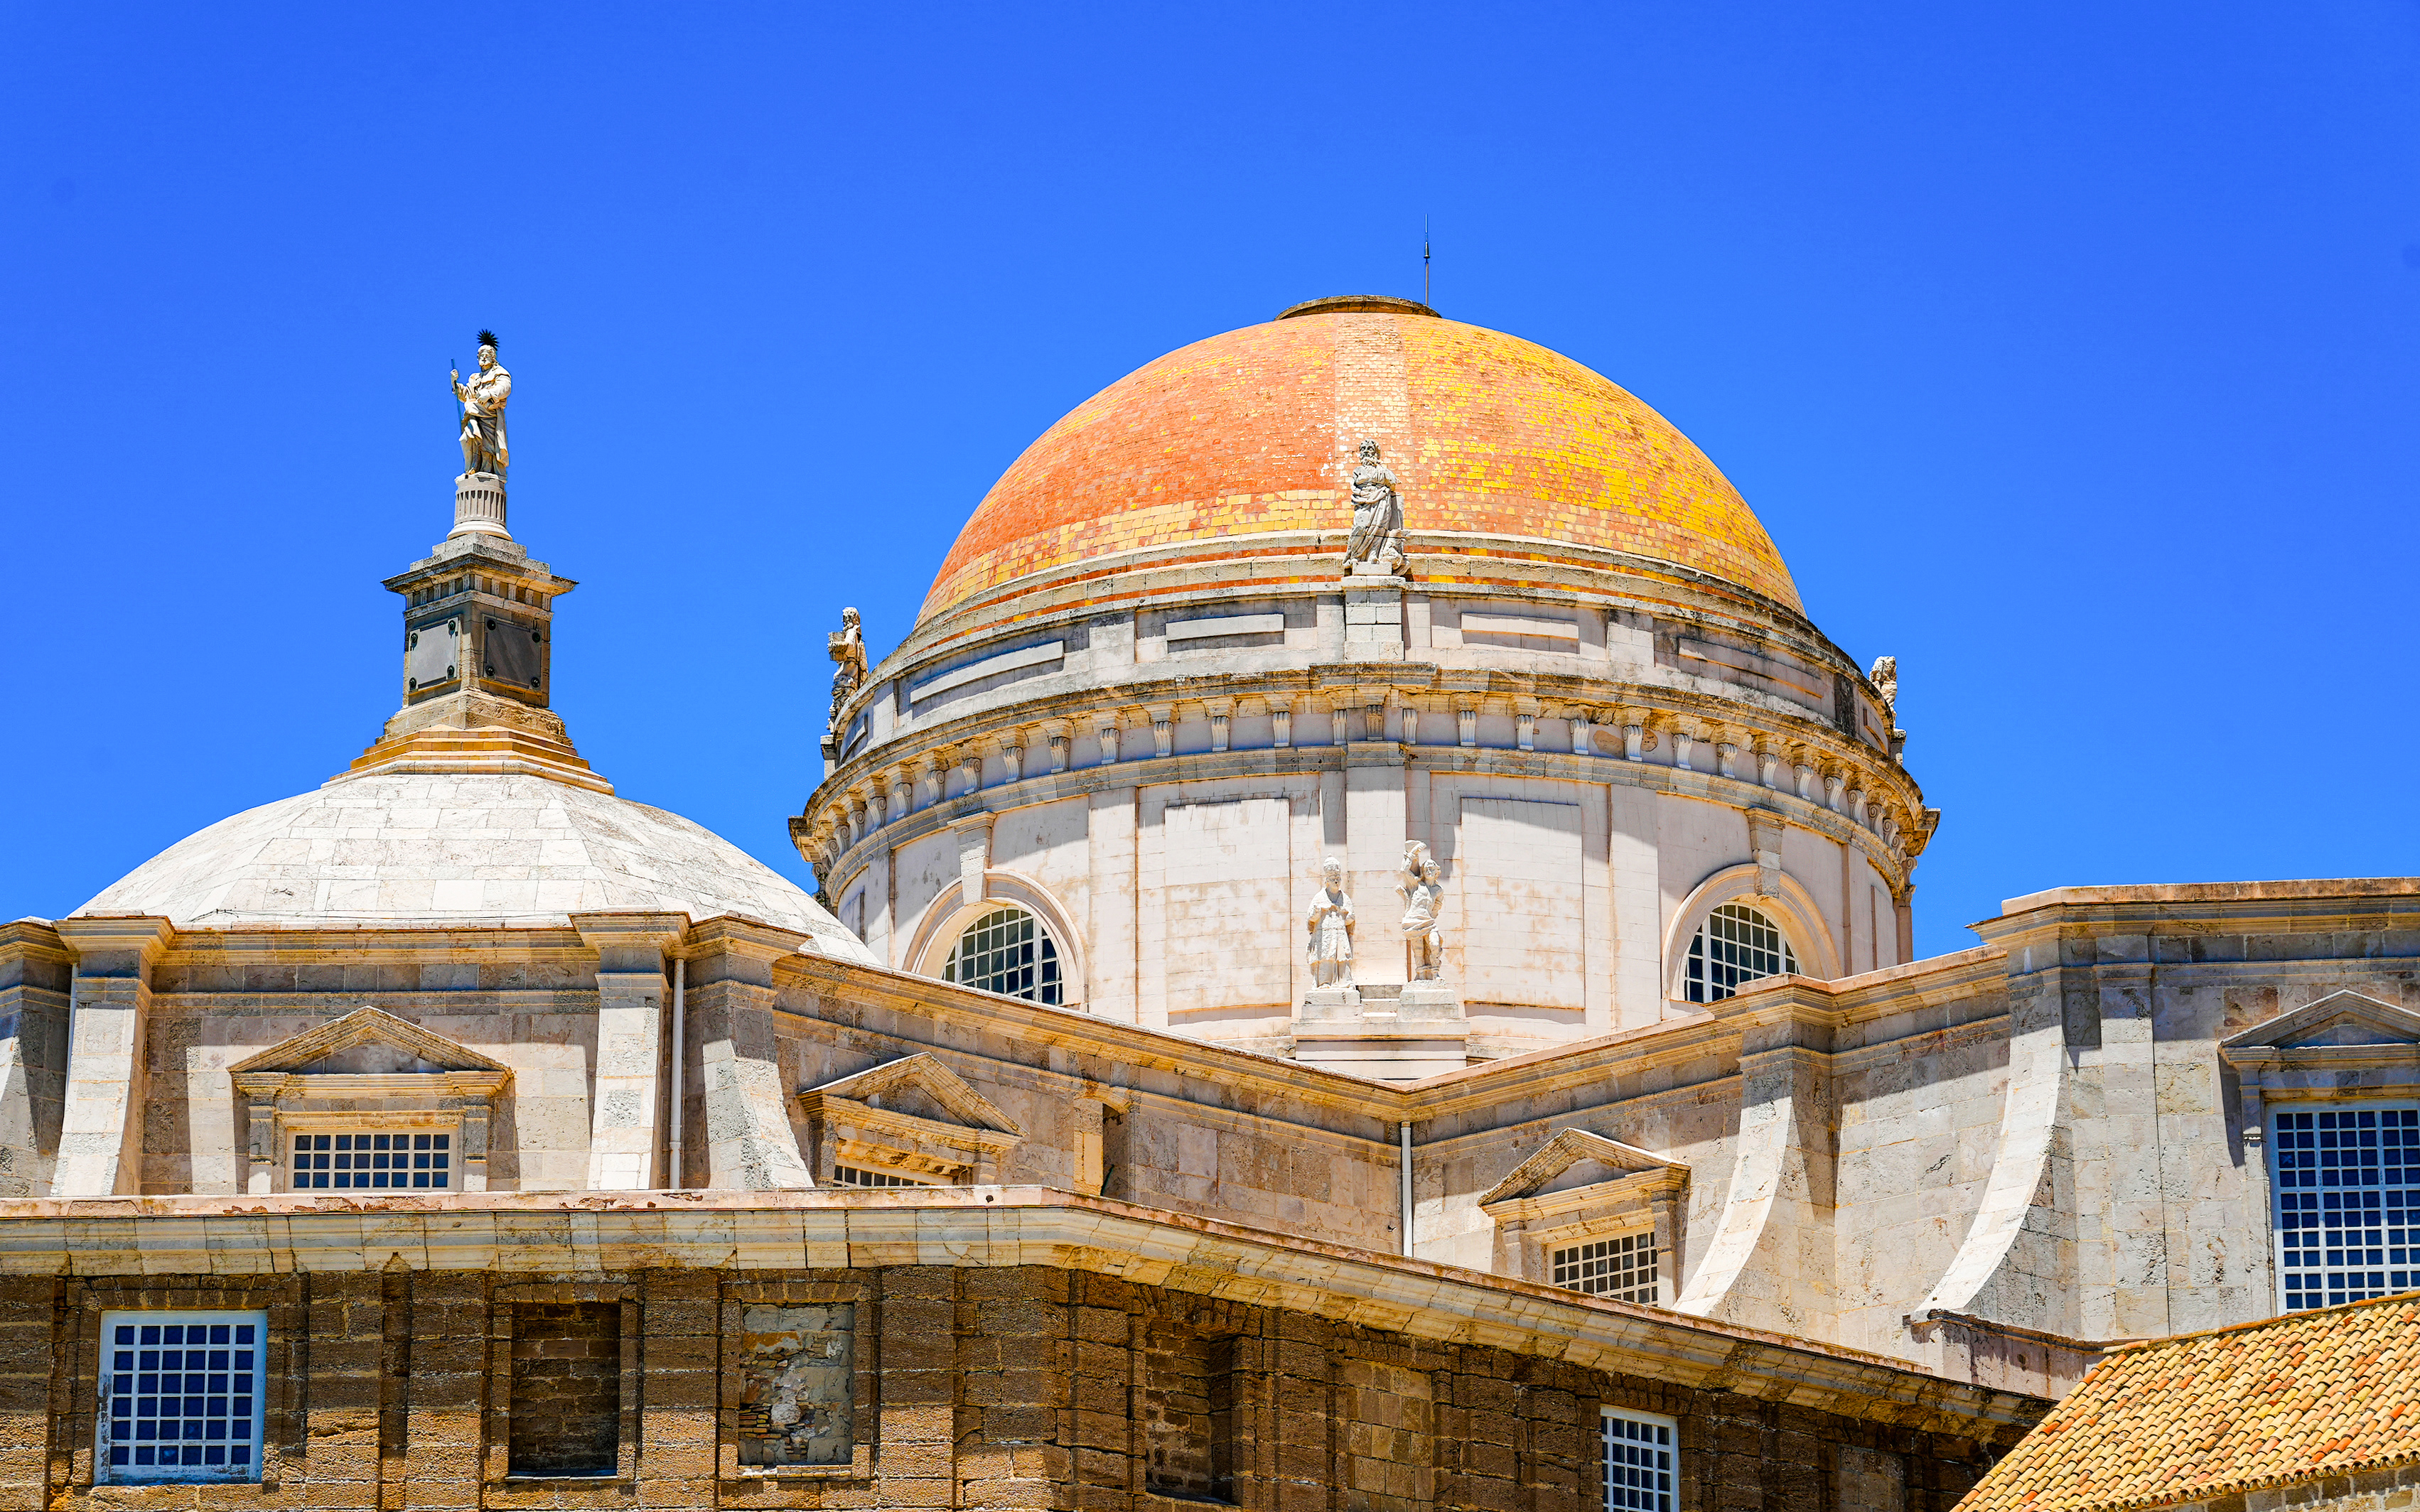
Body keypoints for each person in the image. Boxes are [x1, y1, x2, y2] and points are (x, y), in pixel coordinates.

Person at [451, 332, 511, 479]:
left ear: (493, 357)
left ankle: (487, 469)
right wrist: (454, 383)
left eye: (486, 355)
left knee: (488, 445)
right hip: (476, 413)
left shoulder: (500, 373)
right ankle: (472, 467)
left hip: (490, 414)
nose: (483, 358)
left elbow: (505, 388)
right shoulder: (475, 378)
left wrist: (489, 394)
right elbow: (466, 395)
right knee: (467, 438)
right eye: (480, 355)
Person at [1306, 858, 1355, 988]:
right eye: (1333, 878)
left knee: (1343, 955)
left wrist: (1347, 915)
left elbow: (1351, 918)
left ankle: (1345, 982)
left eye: (1338, 878)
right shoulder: (1320, 897)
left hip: (1340, 932)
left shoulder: (1344, 897)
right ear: (1327, 881)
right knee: (1326, 956)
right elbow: (1311, 918)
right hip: (1325, 933)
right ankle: (1324, 982)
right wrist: (1317, 913)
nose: (1336, 880)